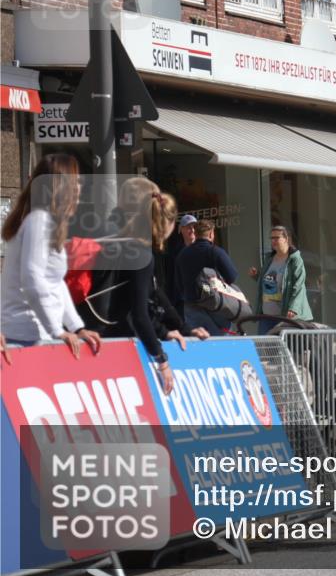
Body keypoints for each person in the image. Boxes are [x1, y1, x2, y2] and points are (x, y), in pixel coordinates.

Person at [95, 179, 203, 396]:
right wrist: (162, 360)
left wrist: (181, 328)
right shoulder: (140, 253)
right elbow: (139, 314)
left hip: (99, 338)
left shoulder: (122, 242)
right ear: (169, 223)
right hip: (116, 345)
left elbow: (154, 294)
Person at [0, 154, 102, 357]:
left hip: (37, 333)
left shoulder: (44, 221)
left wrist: (76, 327)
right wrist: (58, 330)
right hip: (27, 335)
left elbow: (55, 283)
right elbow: (32, 280)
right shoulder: (40, 221)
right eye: (76, 181)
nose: (79, 187)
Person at [175, 219, 239, 335]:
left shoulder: (183, 254)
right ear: (211, 234)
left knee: (197, 344)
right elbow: (232, 277)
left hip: (191, 305)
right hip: (216, 305)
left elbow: (178, 283)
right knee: (221, 344)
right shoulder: (216, 252)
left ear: (196, 233)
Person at [249, 225, 313, 335]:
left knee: (284, 348)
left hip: (285, 316)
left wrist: (293, 308)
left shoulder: (295, 260)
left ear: (286, 239)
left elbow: (298, 286)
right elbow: (271, 282)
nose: (273, 241)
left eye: (276, 238)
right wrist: (257, 276)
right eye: (271, 238)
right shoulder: (269, 259)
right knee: (264, 348)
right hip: (267, 316)